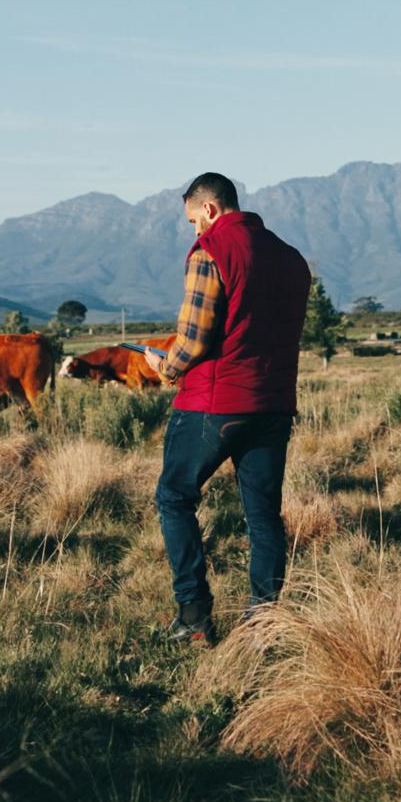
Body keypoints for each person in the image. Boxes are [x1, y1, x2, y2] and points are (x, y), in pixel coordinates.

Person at [144, 172, 311, 645]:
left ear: (211, 210)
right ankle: (264, 625)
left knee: (174, 498)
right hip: (274, 404)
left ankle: (194, 616)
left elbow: (195, 337)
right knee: (263, 516)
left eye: (194, 220)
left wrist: (166, 366)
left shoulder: (211, 251)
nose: (195, 230)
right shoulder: (292, 259)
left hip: (213, 403)